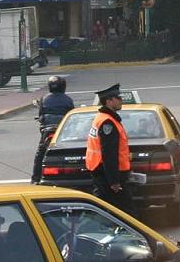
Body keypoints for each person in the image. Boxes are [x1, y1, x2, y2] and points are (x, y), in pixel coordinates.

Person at [86, 83, 134, 217]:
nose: (121, 100)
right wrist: (114, 181)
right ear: (109, 101)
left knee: (105, 212)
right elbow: (109, 154)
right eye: (118, 97)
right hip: (108, 176)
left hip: (101, 173)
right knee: (127, 214)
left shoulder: (103, 118)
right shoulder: (108, 122)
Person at [31, 75, 75, 183]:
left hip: (47, 131)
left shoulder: (44, 98)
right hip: (62, 131)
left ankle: (35, 178)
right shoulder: (68, 100)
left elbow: (41, 114)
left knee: (40, 153)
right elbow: (71, 114)